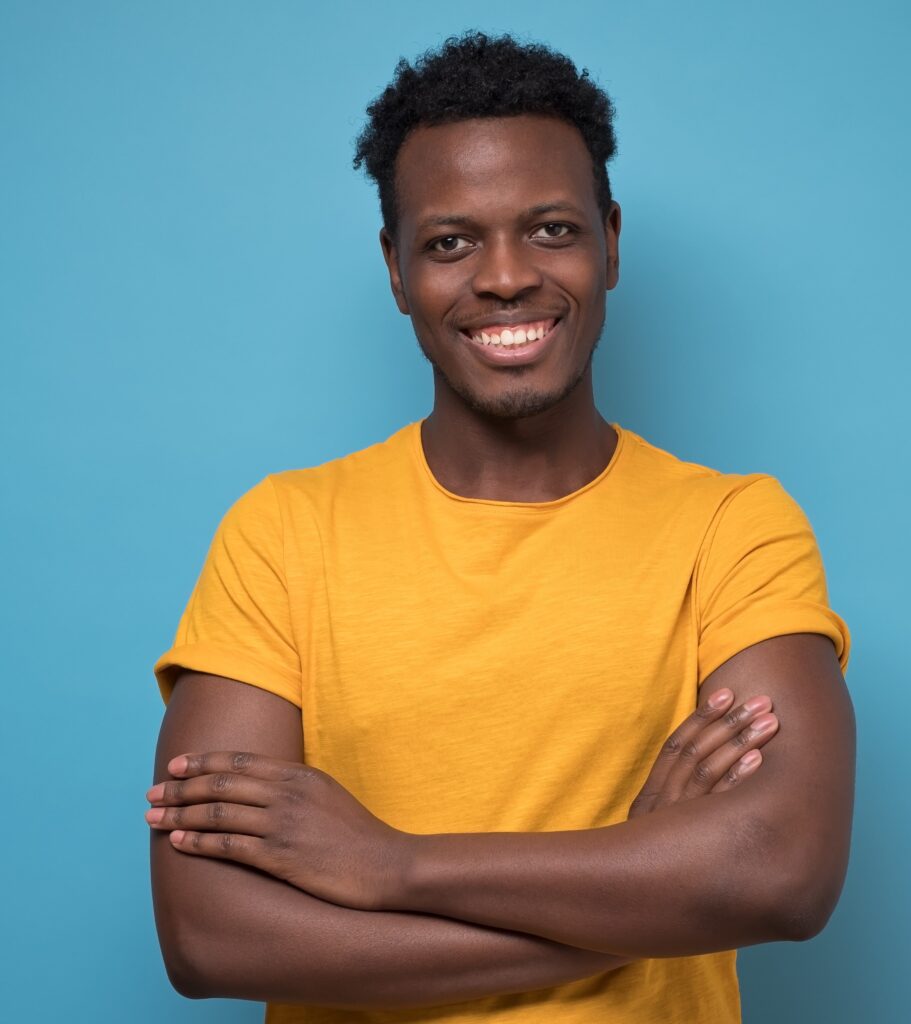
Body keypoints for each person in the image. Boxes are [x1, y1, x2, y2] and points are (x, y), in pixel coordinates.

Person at [146, 31, 855, 1024]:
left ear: (610, 241)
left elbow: (781, 871)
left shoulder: (733, 529)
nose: (506, 275)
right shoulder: (282, 534)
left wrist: (388, 864)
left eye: (551, 228)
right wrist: (638, 882)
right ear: (396, 271)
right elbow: (209, 933)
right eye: (449, 241)